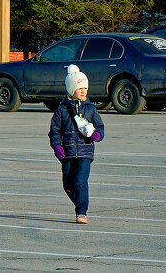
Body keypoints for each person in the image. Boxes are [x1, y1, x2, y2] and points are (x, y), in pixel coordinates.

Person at [49, 64, 105, 224]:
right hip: (67, 153)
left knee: (80, 181)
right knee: (68, 184)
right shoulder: (61, 110)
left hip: (85, 152)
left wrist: (97, 135)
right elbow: (54, 131)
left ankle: (81, 212)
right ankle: (80, 201)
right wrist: (57, 145)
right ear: (71, 89)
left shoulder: (90, 109)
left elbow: (100, 127)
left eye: (85, 88)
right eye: (79, 88)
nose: (83, 91)